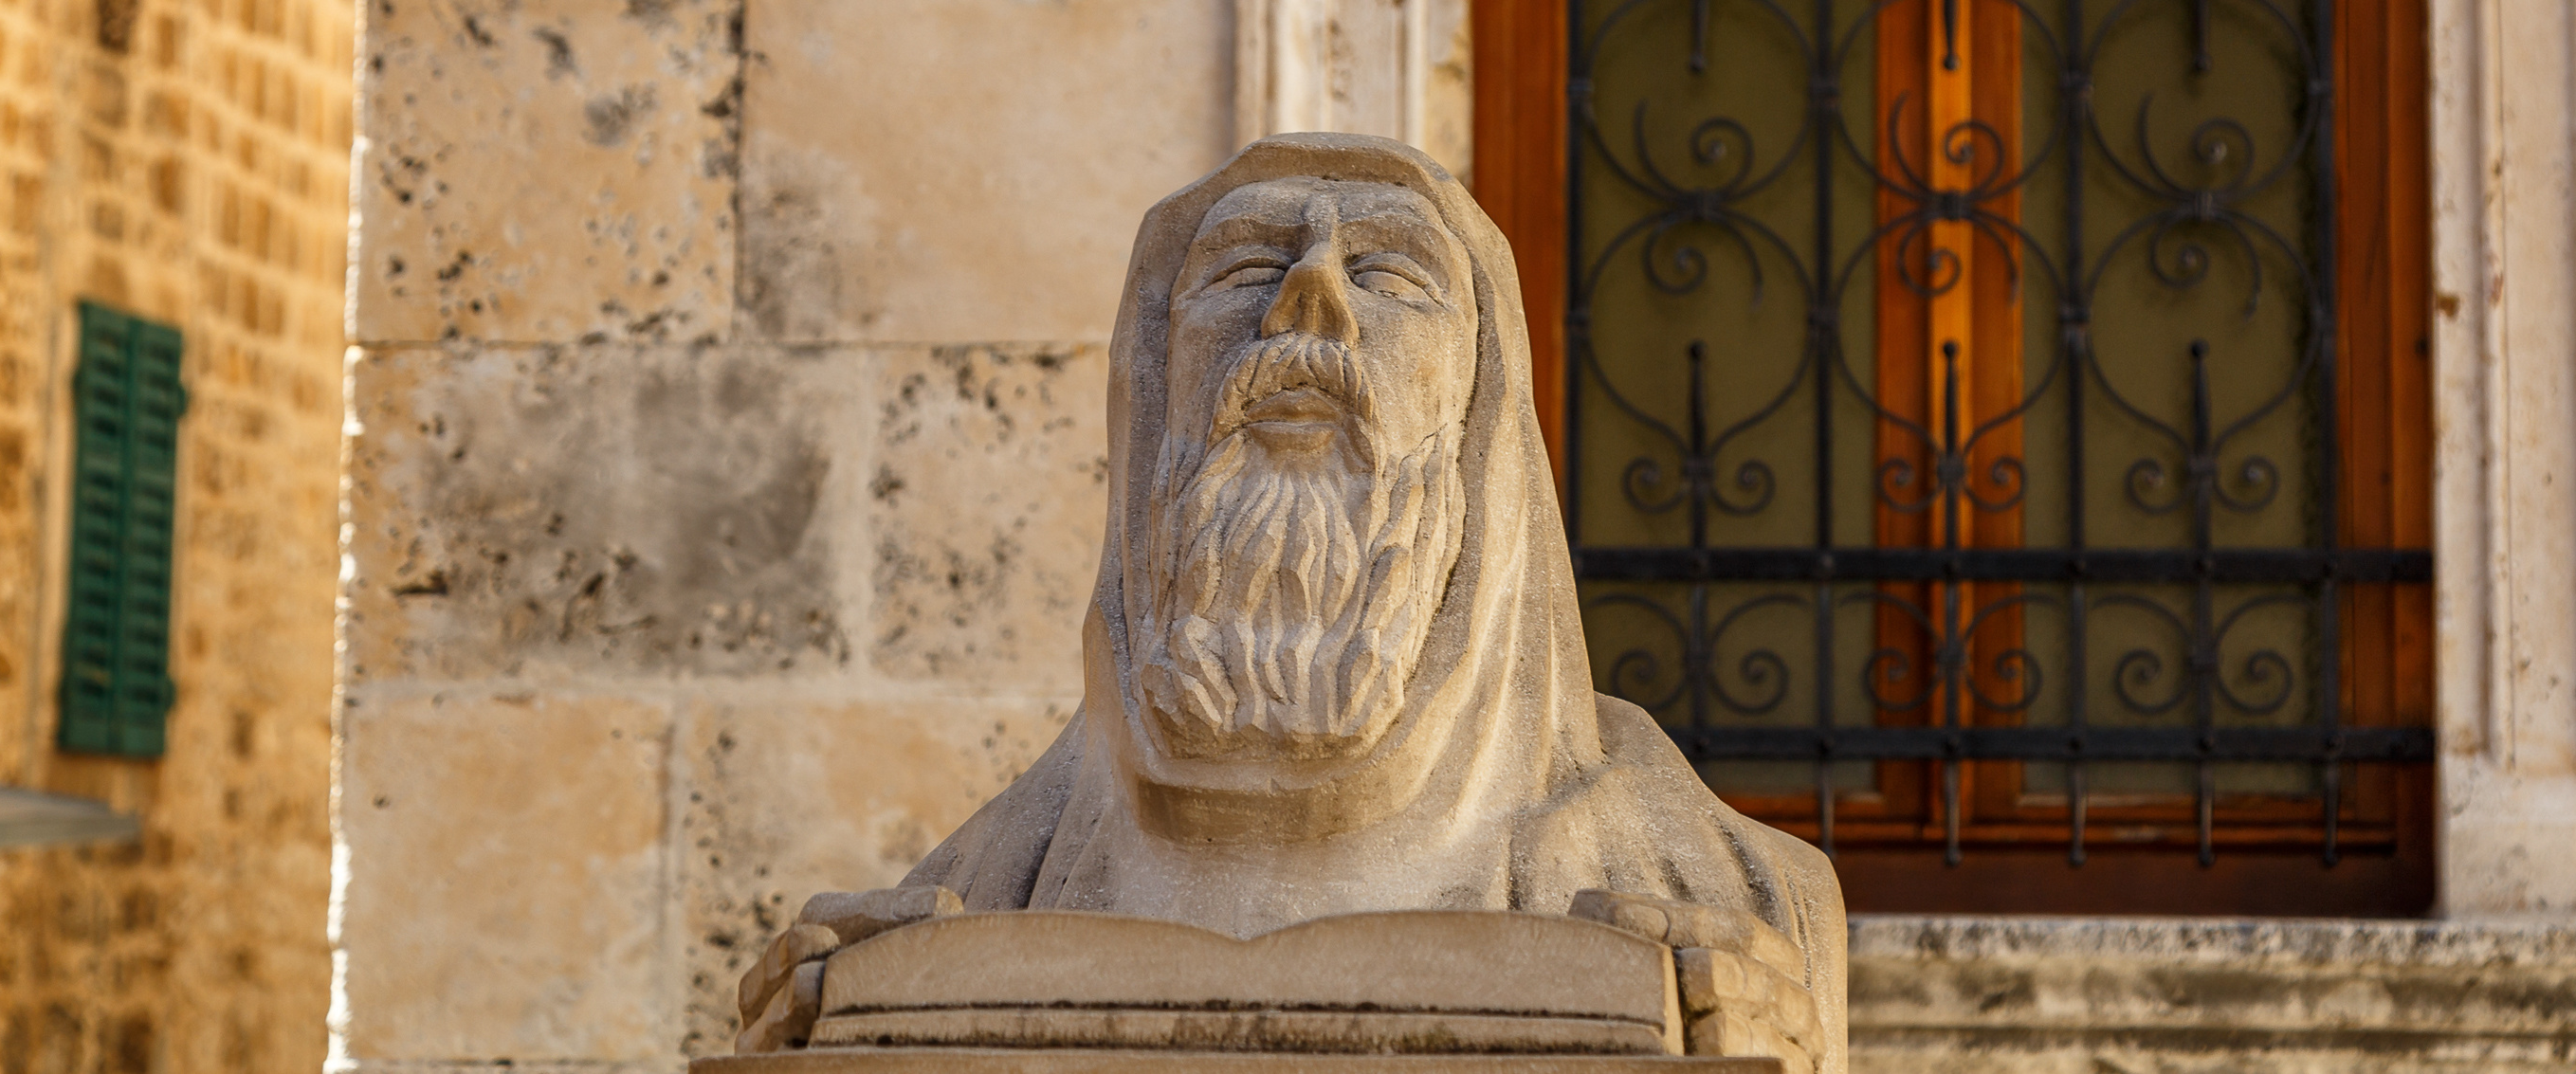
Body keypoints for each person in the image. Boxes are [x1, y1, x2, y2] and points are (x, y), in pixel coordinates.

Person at [733, 133, 1842, 1067]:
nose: (1307, 299)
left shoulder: (1737, 904)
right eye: (1242, 271)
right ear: (1152, 386)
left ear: (1475, 411)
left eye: (1391, 278)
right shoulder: (968, 900)